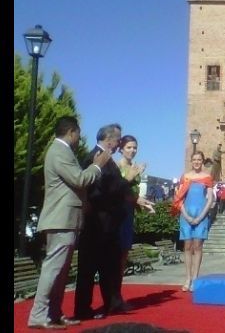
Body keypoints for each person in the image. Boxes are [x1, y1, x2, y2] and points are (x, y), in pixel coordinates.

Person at [27, 116, 110, 330]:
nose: (79, 138)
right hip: (60, 218)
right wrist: (97, 166)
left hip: (67, 219)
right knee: (53, 268)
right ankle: (38, 314)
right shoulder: (59, 151)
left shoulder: (63, 152)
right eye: (78, 134)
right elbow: (79, 179)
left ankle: (53, 312)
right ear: (72, 132)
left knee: (61, 270)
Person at [74, 124, 143, 320]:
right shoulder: (96, 157)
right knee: (89, 268)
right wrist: (127, 179)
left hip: (110, 223)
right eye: (118, 138)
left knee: (109, 266)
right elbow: (99, 191)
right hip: (97, 223)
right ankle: (83, 309)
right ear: (109, 139)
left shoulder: (107, 159)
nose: (120, 142)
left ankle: (113, 302)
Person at [171, 151, 215, 292]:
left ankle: (196, 278)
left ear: (202, 161)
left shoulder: (207, 177)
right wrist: (186, 215)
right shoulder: (185, 177)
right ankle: (188, 278)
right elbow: (179, 198)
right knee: (187, 246)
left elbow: (210, 199)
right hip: (186, 214)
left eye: (199, 159)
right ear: (191, 161)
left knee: (198, 246)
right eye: (194, 159)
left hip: (201, 214)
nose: (196, 162)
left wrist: (201, 216)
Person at [116, 135, 155, 278]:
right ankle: (111, 292)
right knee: (117, 251)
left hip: (129, 211)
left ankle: (117, 292)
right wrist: (132, 176)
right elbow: (116, 190)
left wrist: (141, 201)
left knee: (125, 251)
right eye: (129, 147)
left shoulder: (133, 166)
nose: (132, 150)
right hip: (118, 213)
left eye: (135, 148)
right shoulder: (117, 167)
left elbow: (133, 192)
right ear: (121, 149)